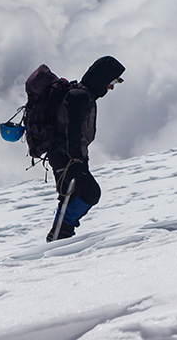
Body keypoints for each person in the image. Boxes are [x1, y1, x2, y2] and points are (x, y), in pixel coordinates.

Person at [47, 55, 125, 241]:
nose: (112, 86)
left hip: (68, 155)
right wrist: (75, 158)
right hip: (66, 156)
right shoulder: (80, 96)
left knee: (72, 193)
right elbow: (72, 128)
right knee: (90, 192)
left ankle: (61, 234)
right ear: (102, 77)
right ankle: (61, 233)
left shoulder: (83, 95)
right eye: (112, 81)